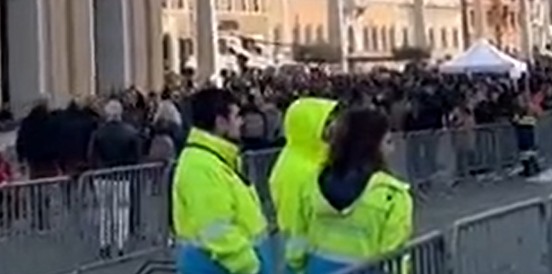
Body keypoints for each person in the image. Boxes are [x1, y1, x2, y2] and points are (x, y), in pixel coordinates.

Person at [171, 87, 273, 274]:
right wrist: (251, 267)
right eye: (236, 117)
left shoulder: (216, 159)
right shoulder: (200, 166)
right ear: (220, 122)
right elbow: (218, 231)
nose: (242, 122)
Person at [300, 107, 413, 274]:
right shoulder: (392, 195)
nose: (393, 150)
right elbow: (394, 257)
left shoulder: (314, 184)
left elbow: (299, 237)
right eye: (388, 142)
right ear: (371, 147)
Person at [269, 97, 338, 274]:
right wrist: (298, 263)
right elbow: (294, 222)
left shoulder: (313, 159)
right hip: (306, 261)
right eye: (327, 122)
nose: (334, 127)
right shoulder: (297, 169)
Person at [87, 99, 145, 257]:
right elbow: (136, 156)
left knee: (104, 211)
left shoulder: (98, 133)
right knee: (122, 211)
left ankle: (104, 244)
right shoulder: (130, 132)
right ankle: (120, 244)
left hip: (103, 176)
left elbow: (91, 156)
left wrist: (94, 173)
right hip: (122, 176)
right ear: (120, 113)